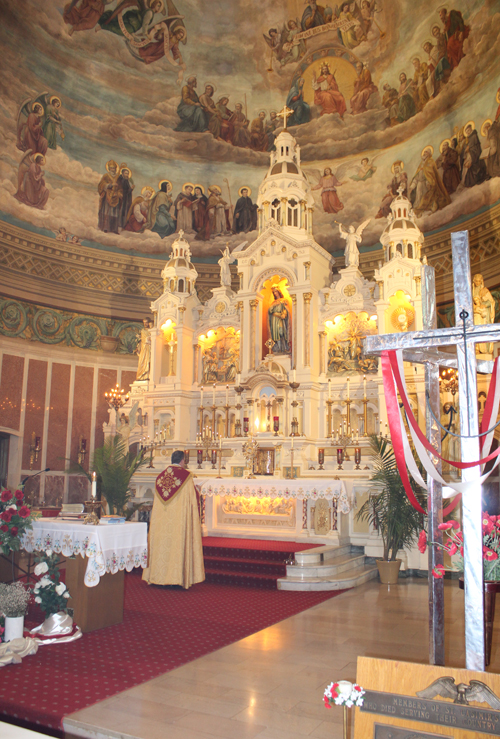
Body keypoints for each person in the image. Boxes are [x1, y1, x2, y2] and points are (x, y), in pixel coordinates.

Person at [143, 450, 205, 589]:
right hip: (178, 522)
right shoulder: (186, 477)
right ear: (182, 461)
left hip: (161, 522)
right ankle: (176, 578)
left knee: (161, 545)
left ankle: (156, 576)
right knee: (176, 545)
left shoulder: (160, 477)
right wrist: (198, 490)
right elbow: (192, 499)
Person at [410, 146, 450, 217]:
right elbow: (417, 177)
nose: (425, 153)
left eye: (426, 152)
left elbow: (431, 174)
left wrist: (428, 182)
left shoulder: (431, 162)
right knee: (418, 199)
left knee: (426, 198)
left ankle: (426, 210)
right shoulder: (421, 164)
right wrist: (412, 186)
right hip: (419, 184)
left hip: (427, 184)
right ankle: (418, 212)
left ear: (429, 154)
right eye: (424, 152)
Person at [472, 274, 496, 356]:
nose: (477, 283)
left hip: (483, 316)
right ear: (474, 282)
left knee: (481, 331)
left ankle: (483, 349)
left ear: (481, 281)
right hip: (474, 315)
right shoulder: (471, 291)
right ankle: (476, 349)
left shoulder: (485, 290)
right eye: (476, 281)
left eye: (479, 281)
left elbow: (492, 302)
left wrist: (484, 305)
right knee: (474, 332)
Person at [98, 160, 123, 233]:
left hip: (116, 197)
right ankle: (105, 227)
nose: (113, 169)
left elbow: (121, 187)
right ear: (109, 168)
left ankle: (114, 229)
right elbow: (101, 184)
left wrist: (119, 193)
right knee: (107, 212)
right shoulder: (106, 176)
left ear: (116, 168)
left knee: (115, 213)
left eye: (114, 168)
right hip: (108, 196)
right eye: (111, 168)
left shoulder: (118, 177)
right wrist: (110, 185)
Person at [461, 123, 487, 188]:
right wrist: (466, 151)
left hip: (476, 156)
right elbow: (465, 149)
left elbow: (477, 148)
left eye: (468, 131)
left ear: (471, 129)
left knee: (477, 171)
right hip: (471, 157)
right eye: (466, 132)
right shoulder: (468, 139)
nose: (468, 133)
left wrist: (469, 150)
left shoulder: (474, 136)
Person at [268, 287, 290, 354]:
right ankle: (277, 349)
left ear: (279, 292)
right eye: (274, 292)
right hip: (274, 319)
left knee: (281, 332)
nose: (275, 293)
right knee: (275, 334)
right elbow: (270, 311)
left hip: (280, 318)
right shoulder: (273, 302)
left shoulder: (283, 300)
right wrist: (274, 305)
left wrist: (284, 314)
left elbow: (285, 309)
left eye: (276, 292)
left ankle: (283, 348)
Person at [117, 165, 135, 230]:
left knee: (126, 211)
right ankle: (121, 224)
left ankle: (124, 224)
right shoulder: (123, 181)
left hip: (127, 199)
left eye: (128, 173)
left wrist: (131, 189)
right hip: (124, 199)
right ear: (122, 174)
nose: (127, 174)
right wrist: (131, 188)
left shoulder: (126, 180)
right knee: (123, 211)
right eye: (125, 173)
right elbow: (125, 191)